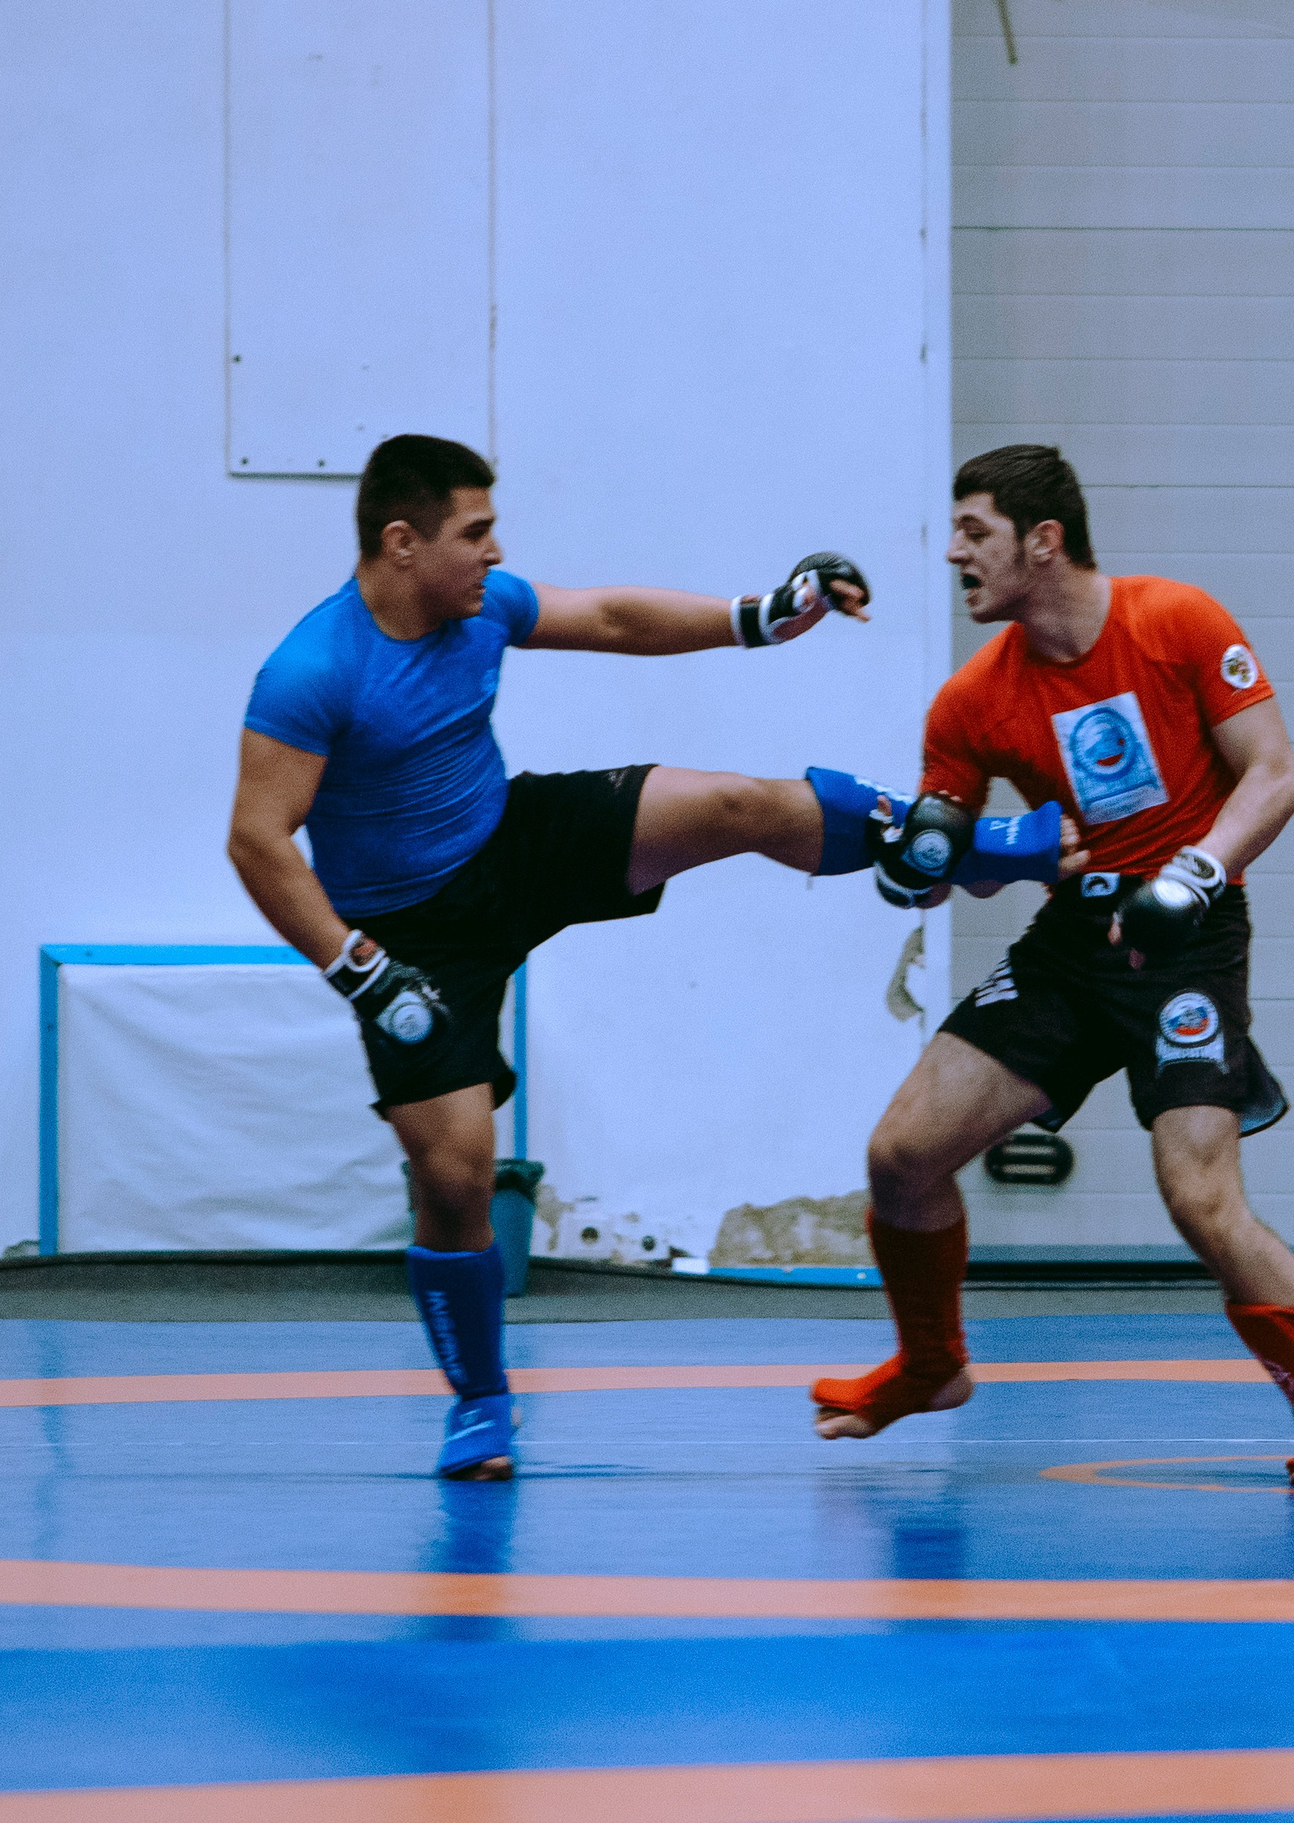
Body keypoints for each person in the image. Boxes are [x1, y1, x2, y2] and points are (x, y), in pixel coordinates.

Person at [226, 434, 1049, 1483]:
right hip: (410, 935)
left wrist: (764, 617)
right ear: (401, 543)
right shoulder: (313, 670)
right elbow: (258, 839)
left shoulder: (484, 606)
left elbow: (611, 618)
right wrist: (360, 970)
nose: (493, 551)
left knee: (734, 804)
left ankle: (970, 851)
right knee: (454, 1176)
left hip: (510, 839)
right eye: (473, 533)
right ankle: (481, 1406)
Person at [810, 444, 1294, 1486]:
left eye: (974, 532)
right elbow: (948, 872)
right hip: (1069, 948)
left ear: (1044, 540)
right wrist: (940, 864)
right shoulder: (970, 701)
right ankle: (931, 1366)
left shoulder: (1177, 622)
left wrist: (1193, 876)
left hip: (1185, 942)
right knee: (901, 1154)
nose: (952, 554)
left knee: (1199, 1201)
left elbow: (1275, 775)